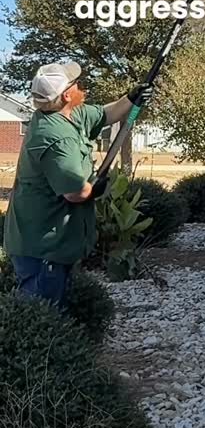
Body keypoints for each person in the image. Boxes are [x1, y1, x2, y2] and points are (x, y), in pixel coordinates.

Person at [3, 62, 152, 308]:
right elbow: (75, 193)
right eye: (75, 83)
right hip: (43, 248)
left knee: (57, 309)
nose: (81, 86)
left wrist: (131, 98)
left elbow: (106, 114)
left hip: (54, 243)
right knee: (44, 316)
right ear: (66, 94)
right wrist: (94, 188)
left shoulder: (68, 113)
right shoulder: (54, 137)